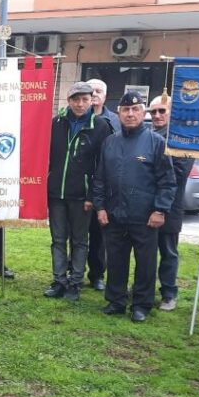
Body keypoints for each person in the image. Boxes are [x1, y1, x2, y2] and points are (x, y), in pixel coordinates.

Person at [92, 92, 176, 322]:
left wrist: (160, 210)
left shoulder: (156, 142)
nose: (130, 114)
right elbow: (99, 179)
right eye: (125, 110)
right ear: (119, 113)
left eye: (135, 110)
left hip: (144, 216)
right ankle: (116, 300)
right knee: (116, 259)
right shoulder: (110, 142)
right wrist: (100, 207)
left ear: (143, 113)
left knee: (146, 263)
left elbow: (167, 181)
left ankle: (141, 304)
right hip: (114, 214)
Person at [44, 82, 110, 302]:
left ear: (92, 100)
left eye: (85, 99)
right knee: (58, 239)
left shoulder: (100, 126)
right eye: (76, 99)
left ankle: (75, 282)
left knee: (80, 240)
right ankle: (59, 280)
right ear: (69, 101)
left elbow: (103, 166)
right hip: (56, 194)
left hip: (82, 196)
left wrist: (93, 196)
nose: (80, 104)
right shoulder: (56, 123)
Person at [148, 94, 192, 312]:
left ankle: (168, 293)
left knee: (167, 251)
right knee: (145, 250)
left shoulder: (180, 138)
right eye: (153, 112)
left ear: (171, 112)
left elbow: (179, 173)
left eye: (161, 111)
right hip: (146, 205)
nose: (156, 115)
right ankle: (145, 288)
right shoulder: (149, 135)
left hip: (170, 206)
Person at [85, 78, 118, 291]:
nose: (95, 94)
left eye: (99, 91)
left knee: (99, 235)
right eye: (91, 91)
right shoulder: (75, 117)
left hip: (103, 188)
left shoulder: (115, 120)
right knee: (77, 234)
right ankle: (73, 269)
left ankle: (97, 274)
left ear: (105, 96)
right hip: (79, 186)